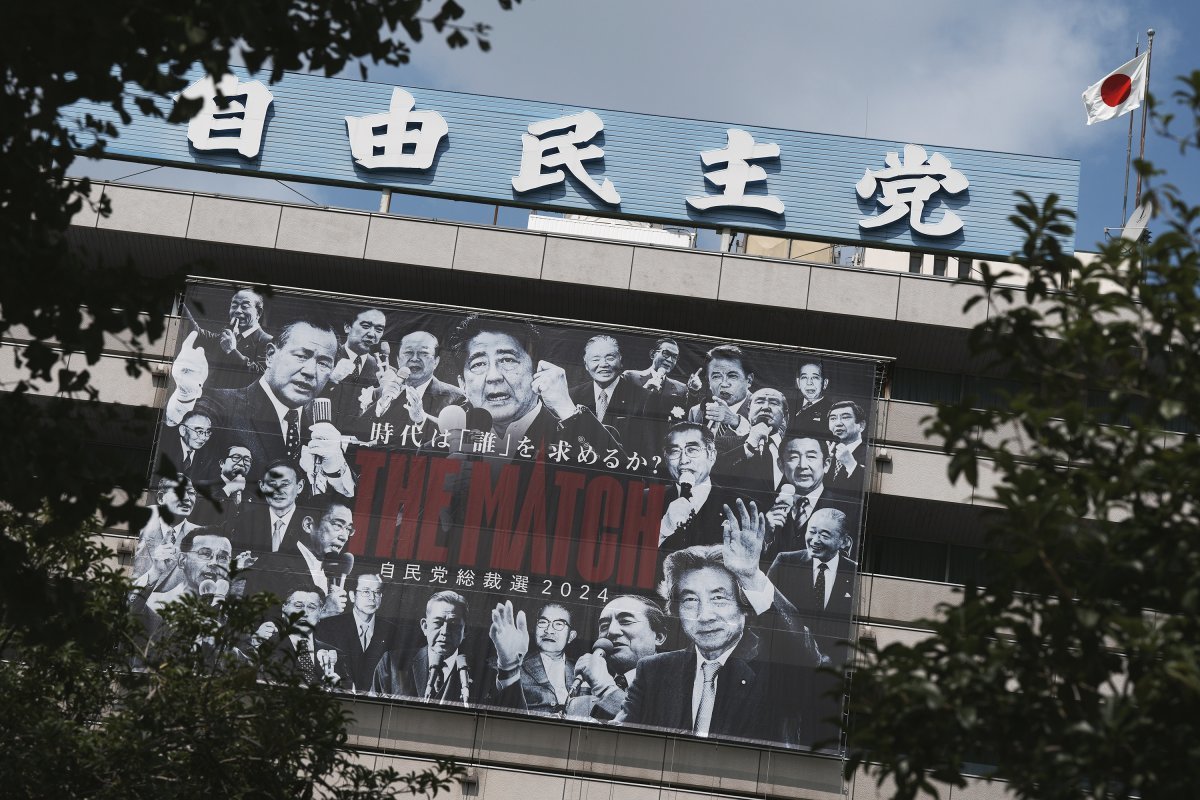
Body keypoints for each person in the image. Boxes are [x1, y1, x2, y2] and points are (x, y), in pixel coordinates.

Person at [617, 500, 827, 747]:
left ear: (745, 606)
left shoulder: (774, 667)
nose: (705, 615)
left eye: (719, 598)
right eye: (691, 600)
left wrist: (751, 576)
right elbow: (622, 741)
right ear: (676, 610)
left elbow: (804, 657)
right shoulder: (652, 671)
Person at [164, 320, 355, 496]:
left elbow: (355, 500)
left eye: (323, 363)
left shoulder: (323, 422)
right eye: (301, 356)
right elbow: (184, 434)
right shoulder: (222, 402)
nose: (310, 372)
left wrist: (335, 467)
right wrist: (184, 397)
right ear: (270, 355)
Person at [447, 314, 624, 458]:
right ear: (462, 384)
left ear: (537, 370)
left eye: (508, 360)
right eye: (478, 364)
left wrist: (567, 410)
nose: (494, 376)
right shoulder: (439, 449)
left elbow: (627, 486)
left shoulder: (588, 436)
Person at [369, 591, 526, 709]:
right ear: (425, 626)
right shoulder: (393, 662)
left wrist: (509, 667)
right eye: (438, 623)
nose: (445, 631)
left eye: (453, 625)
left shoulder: (483, 675)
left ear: (465, 631)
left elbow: (514, 720)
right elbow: (371, 709)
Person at [760, 431, 858, 565]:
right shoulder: (764, 507)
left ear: (827, 464)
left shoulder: (850, 509)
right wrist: (766, 536)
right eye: (793, 457)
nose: (803, 465)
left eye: (811, 456)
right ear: (781, 465)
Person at [565, 594, 668, 721]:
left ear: (658, 637)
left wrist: (605, 689)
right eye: (604, 626)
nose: (611, 631)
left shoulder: (681, 687)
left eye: (626, 621)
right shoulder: (578, 705)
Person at [358, 329, 465, 446]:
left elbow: (455, 441)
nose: (414, 358)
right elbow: (360, 434)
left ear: (436, 361)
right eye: (408, 352)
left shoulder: (455, 397)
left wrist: (421, 419)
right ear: (398, 360)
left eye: (423, 353)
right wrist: (381, 404)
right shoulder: (380, 394)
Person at [657, 423, 739, 574]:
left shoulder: (739, 505)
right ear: (665, 457)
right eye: (674, 451)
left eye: (692, 450)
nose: (683, 460)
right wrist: (663, 529)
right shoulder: (643, 500)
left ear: (712, 455)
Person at [129, 527, 233, 637]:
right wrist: (155, 571)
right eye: (205, 554)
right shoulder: (152, 602)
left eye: (222, 557)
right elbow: (126, 610)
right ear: (182, 560)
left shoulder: (236, 616)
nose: (214, 563)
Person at [768, 508, 858, 627]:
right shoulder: (785, 562)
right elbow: (764, 604)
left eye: (824, 536)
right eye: (812, 532)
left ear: (844, 541)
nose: (815, 540)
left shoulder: (854, 571)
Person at [569, 334, 653, 458]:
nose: (603, 364)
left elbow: (648, 451)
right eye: (595, 359)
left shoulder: (644, 399)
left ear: (620, 361)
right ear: (586, 365)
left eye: (610, 357)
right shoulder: (572, 396)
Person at [250, 586, 351, 689]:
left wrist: (339, 689)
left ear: (320, 612)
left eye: (311, 607)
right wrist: (252, 644)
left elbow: (352, 694)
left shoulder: (335, 654)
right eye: (298, 606)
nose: (304, 613)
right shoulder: (265, 645)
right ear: (284, 608)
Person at [314, 573, 398, 692]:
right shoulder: (329, 626)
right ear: (352, 596)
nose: (372, 598)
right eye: (366, 592)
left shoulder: (391, 630)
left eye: (377, 592)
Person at [184, 286, 274, 389]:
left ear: (259, 313)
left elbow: (263, 377)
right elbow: (198, 334)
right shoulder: (226, 336)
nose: (237, 311)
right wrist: (181, 304)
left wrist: (232, 351)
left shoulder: (268, 341)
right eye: (234, 306)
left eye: (245, 306)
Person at [714, 387, 790, 493]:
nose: (765, 407)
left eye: (773, 403)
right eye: (759, 402)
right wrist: (749, 446)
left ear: (785, 416)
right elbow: (713, 478)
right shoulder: (723, 443)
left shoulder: (795, 451)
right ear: (748, 411)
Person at [321, 307, 388, 425]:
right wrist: (330, 381)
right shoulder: (325, 358)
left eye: (379, 329)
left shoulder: (381, 371)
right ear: (347, 327)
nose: (372, 334)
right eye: (366, 326)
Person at [132, 475, 200, 587]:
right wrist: (155, 572)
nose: (187, 498)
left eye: (191, 492)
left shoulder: (199, 536)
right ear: (161, 498)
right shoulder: (142, 522)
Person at [686, 345, 754, 452]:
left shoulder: (765, 411)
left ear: (749, 380)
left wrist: (736, 421)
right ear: (708, 382)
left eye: (732, 376)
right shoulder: (696, 412)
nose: (724, 384)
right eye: (716, 376)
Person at [233, 459, 307, 554]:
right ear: (262, 486)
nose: (278, 491)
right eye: (272, 484)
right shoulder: (246, 521)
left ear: (299, 486)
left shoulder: (312, 524)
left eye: (285, 484)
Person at [519, 603, 578, 714]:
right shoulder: (515, 666)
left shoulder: (582, 669)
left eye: (559, 624)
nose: (549, 630)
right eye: (543, 622)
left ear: (571, 636)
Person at [191, 445, 253, 530]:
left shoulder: (253, 498)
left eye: (247, 460)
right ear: (222, 463)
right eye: (236, 457)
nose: (241, 463)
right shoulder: (200, 487)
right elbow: (198, 516)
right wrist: (228, 489)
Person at [158, 410, 216, 480]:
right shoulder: (163, 449)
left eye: (208, 432)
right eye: (199, 431)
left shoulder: (208, 457)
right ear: (183, 430)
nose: (204, 438)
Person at [825, 400, 869, 493]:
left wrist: (851, 464)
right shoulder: (827, 451)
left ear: (861, 425)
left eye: (845, 417)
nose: (838, 423)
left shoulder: (869, 453)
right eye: (833, 418)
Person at [792, 359, 831, 428]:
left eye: (815, 377)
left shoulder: (832, 410)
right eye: (804, 377)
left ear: (825, 384)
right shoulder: (789, 406)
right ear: (798, 383)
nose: (809, 383)